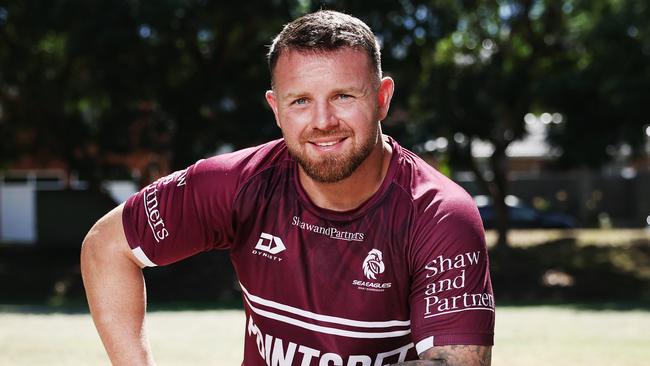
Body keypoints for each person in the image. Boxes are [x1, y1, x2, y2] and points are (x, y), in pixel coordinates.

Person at [81, 10, 495, 366]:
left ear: (382, 98)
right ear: (276, 109)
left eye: (344, 96)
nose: (322, 121)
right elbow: (106, 246)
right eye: (300, 101)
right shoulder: (236, 183)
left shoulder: (439, 214)